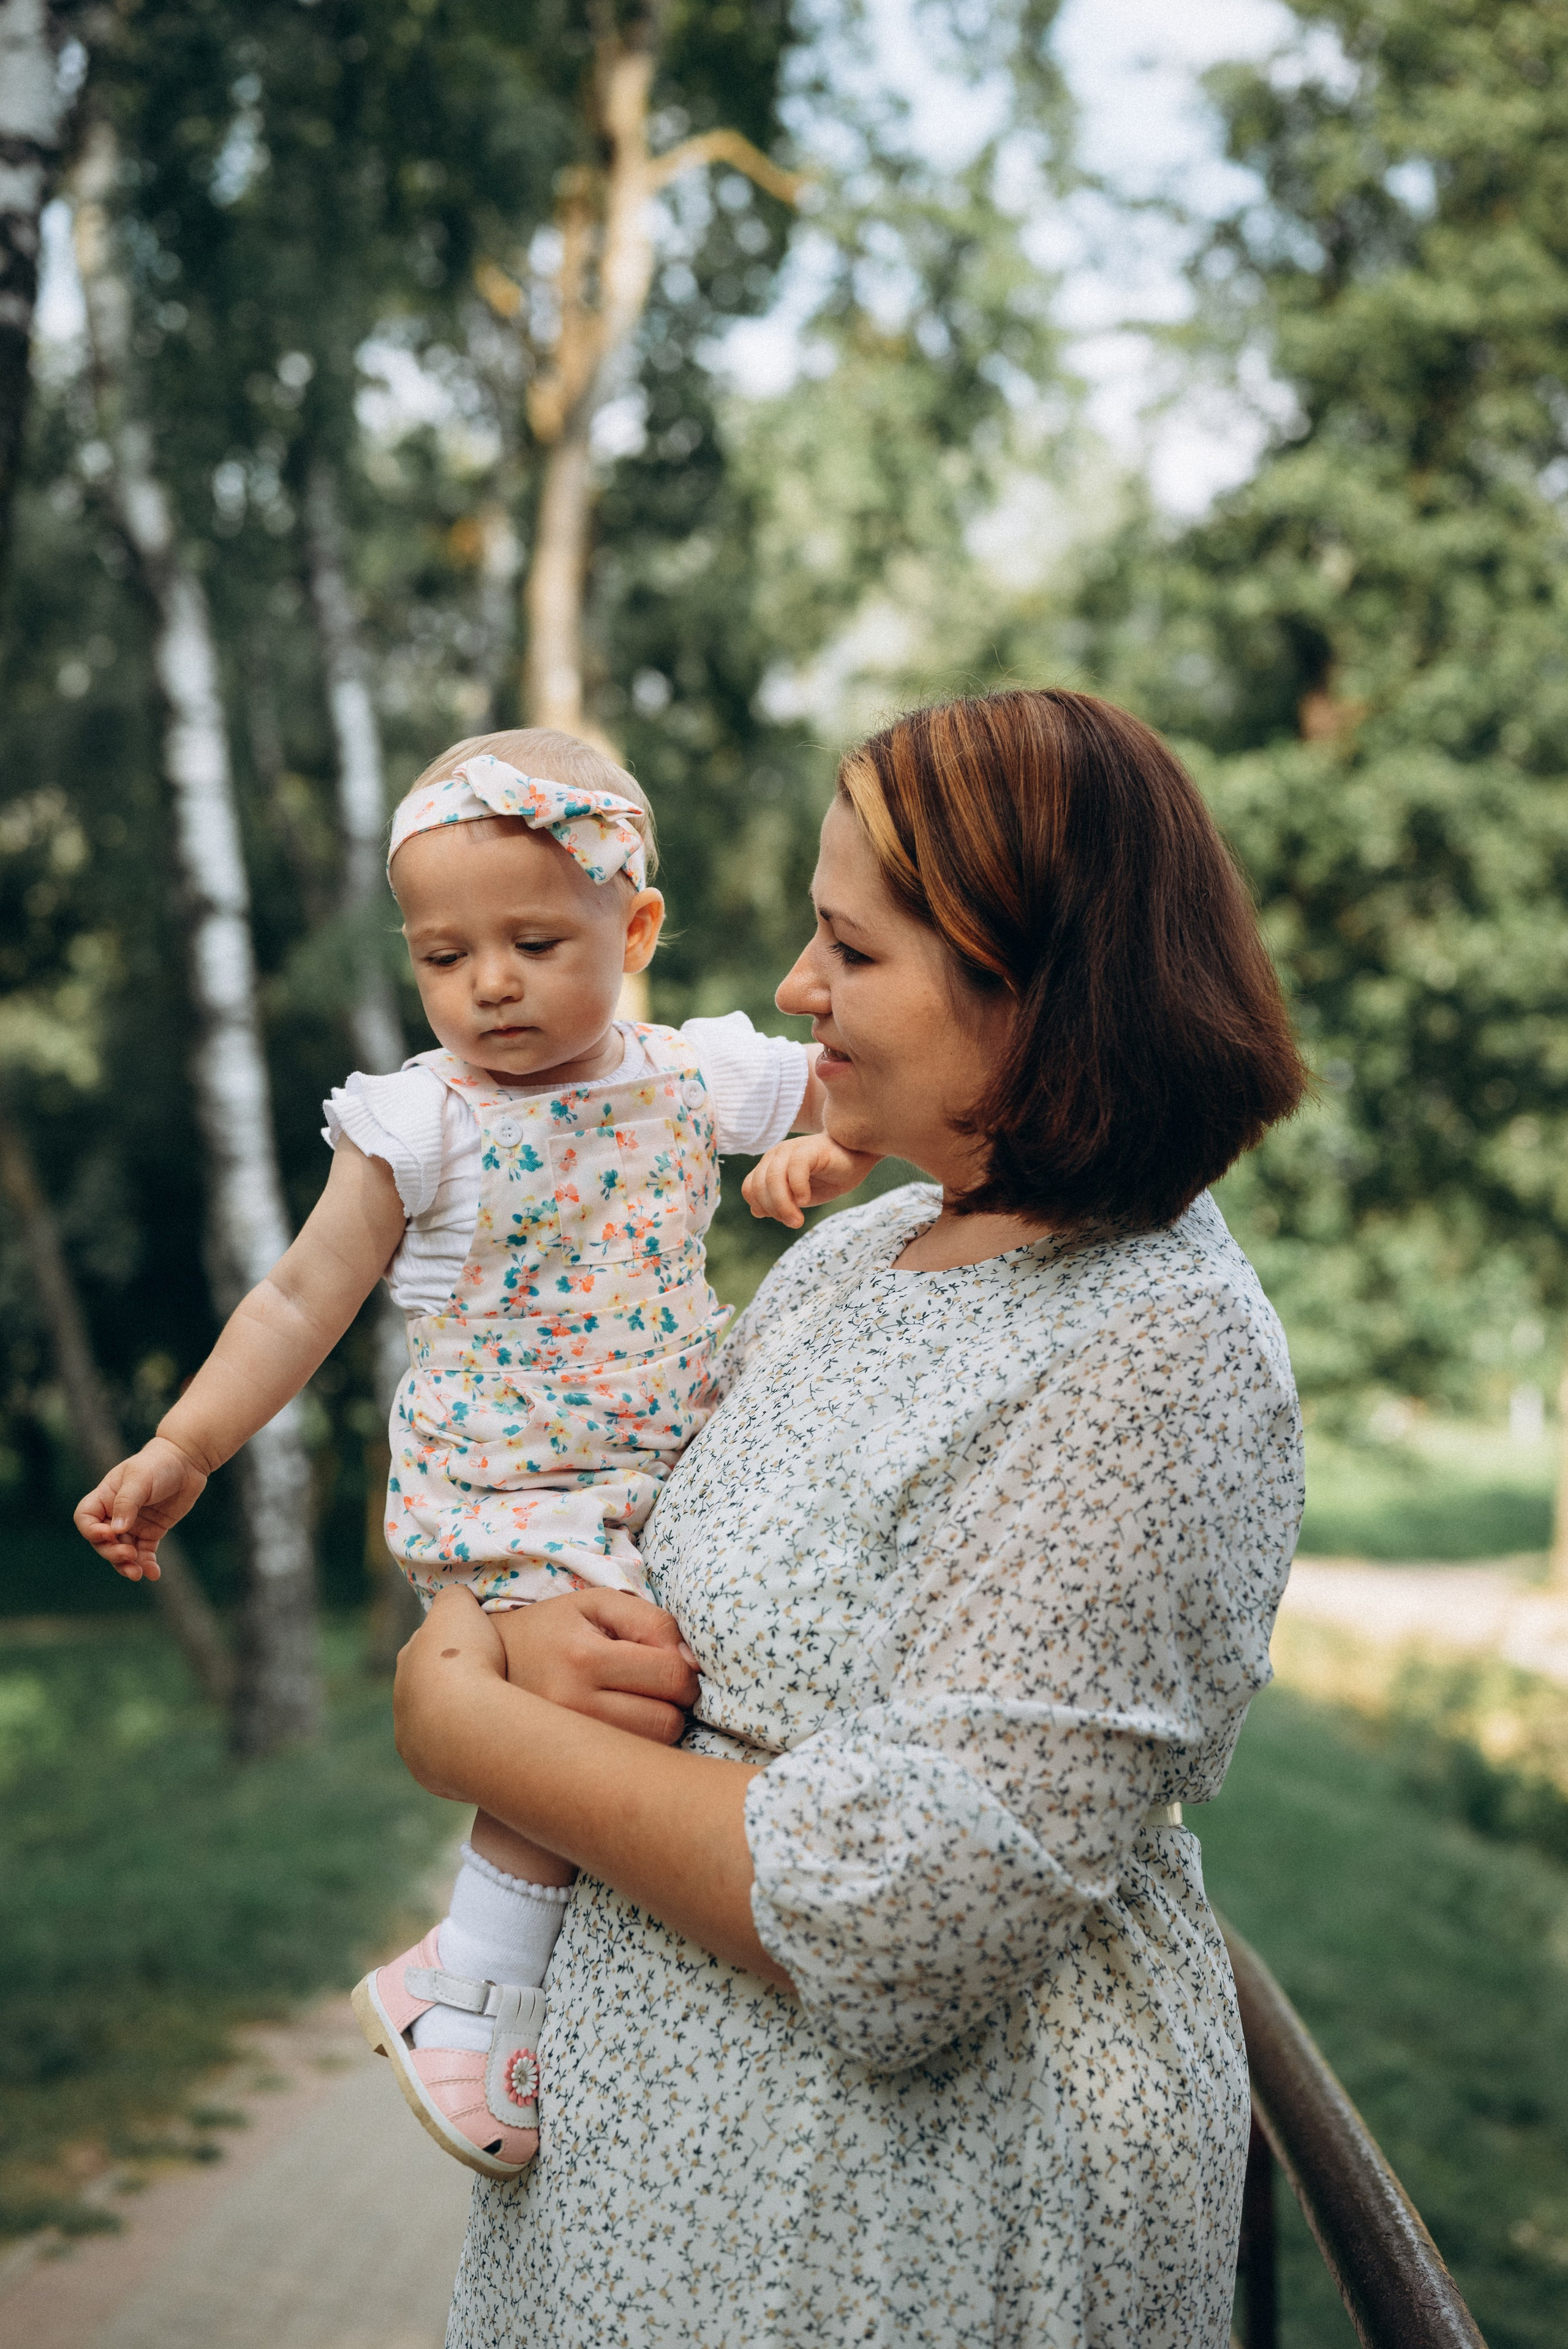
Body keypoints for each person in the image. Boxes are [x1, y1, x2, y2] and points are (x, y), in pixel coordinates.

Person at [392, 687, 1310, 2349]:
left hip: (896, 2256)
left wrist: (471, 1734)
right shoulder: (851, 1255)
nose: (796, 988)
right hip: (628, 2233)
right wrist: (502, 1630)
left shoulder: (1155, 1349)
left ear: (1040, 987)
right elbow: (615, 1515)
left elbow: (906, 1911)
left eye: (853, 949)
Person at [72, 725, 840, 2181]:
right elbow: (302, 1293)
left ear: (637, 926)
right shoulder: (422, 1121)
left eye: (535, 940)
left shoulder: (691, 1079)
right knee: (596, 1694)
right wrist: (187, 1443)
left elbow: (853, 1094)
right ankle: (469, 1985)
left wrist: (822, 1158)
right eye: (443, 955)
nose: (487, 983)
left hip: (650, 1470)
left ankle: (512, 1978)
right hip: (509, 1490)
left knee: (646, 1677)